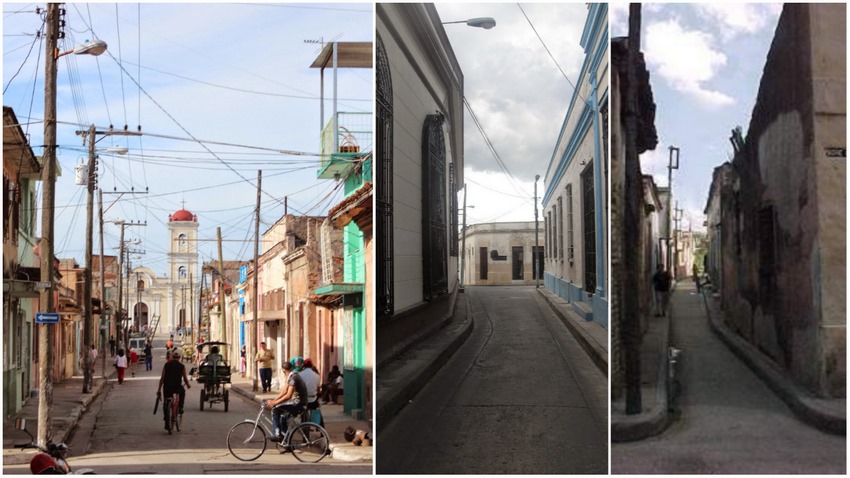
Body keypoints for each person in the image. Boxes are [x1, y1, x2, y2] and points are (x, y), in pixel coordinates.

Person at [267, 362, 307, 441]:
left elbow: (288, 395)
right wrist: (273, 400)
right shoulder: (291, 376)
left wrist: (275, 403)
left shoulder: (293, 378)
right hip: (296, 402)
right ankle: (286, 442)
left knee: (275, 410)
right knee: (283, 417)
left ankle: (277, 434)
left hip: (299, 404)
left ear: (283, 370)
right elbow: (284, 391)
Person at [156, 350, 191, 430]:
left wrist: (159, 389)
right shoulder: (182, 366)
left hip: (167, 387)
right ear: (179, 357)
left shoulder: (166, 365)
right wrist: (188, 385)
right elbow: (185, 378)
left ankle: (166, 419)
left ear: (172, 357)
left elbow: (162, 378)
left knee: (166, 402)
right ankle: (181, 407)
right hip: (177, 387)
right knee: (182, 392)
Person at [299, 359, 322, 426]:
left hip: (303, 400)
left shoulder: (300, 375)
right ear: (311, 365)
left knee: (301, 413)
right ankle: (321, 429)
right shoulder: (317, 376)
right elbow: (318, 389)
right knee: (318, 413)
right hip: (313, 400)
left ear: (303, 366)